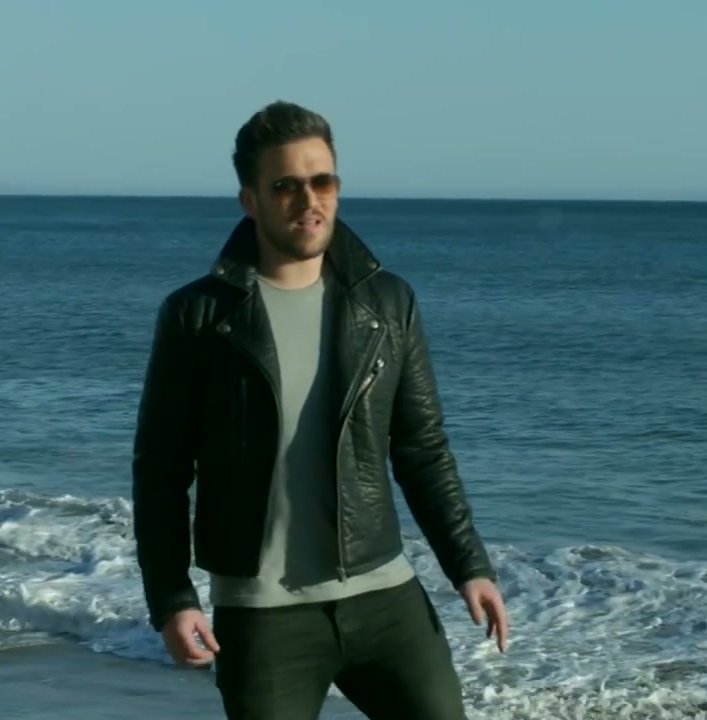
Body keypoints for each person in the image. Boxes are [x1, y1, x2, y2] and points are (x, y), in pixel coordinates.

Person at [130, 100, 508, 720]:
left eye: (322, 181)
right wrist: (172, 598)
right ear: (250, 200)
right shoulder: (197, 317)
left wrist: (469, 565)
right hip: (263, 616)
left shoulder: (388, 304)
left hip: (385, 597)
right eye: (285, 185)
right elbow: (161, 471)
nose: (308, 200)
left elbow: (422, 448)